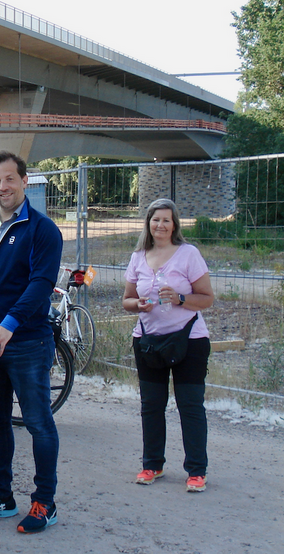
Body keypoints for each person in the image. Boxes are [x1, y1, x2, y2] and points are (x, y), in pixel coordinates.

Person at [0, 151, 63, 534]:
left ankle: (45, 502)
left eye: (10, 179)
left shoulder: (42, 229)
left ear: (24, 180)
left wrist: (11, 323)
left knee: (38, 423)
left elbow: (41, 284)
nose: (3, 186)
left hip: (27, 343)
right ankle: (1, 497)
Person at [122, 198, 214, 492]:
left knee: (189, 405)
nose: (160, 225)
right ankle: (152, 465)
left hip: (189, 340)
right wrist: (139, 304)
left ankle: (197, 471)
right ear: (147, 224)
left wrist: (180, 298)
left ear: (174, 225)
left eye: (166, 220)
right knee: (151, 405)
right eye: (155, 220)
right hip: (148, 340)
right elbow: (126, 301)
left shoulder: (188, 254)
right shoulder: (139, 256)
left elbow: (207, 298)